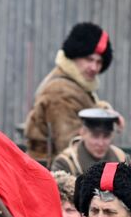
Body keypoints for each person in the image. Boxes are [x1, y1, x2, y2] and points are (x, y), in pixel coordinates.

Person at [24, 23, 116, 164]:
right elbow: (72, 148)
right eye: (89, 59)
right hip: (53, 174)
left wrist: (103, 112)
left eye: (99, 62)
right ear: (74, 56)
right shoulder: (61, 92)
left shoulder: (75, 85)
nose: (94, 67)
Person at [49, 108, 131, 177]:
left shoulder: (121, 157)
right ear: (82, 133)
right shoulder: (66, 162)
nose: (101, 143)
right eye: (95, 136)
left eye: (106, 136)